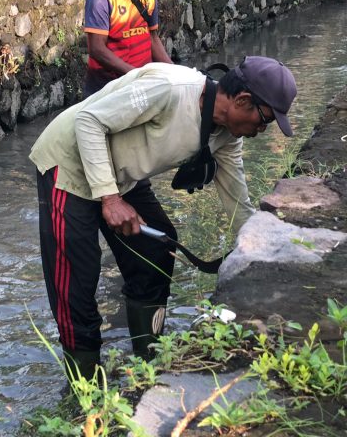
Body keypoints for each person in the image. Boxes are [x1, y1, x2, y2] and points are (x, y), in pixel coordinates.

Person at [29, 56, 297, 380]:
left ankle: (148, 364)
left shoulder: (227, 135)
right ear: (242, 101)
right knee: (76, 285)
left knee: (156, 250)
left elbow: (238, 200)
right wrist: (110, 198)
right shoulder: (169, 89)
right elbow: (89, 121)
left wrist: (259, 252)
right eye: (264, 120)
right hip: (67, 167)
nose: (261, 131)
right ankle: (84, 390)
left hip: (121, 174)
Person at [83, 0, 177, 98]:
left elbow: (152, 38)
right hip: (106, 90)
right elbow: (97, 49)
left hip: (140, 87)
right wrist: (135, 75)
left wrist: (175, 73)